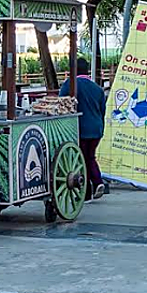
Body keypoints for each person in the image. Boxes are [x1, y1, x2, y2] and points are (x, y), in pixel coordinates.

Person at [60, 58, 107, 200]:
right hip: (96, 128)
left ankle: (93, 185)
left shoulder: (70, 85)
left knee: (82, 159)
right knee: (89, 157)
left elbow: (61, 103)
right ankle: (92, 187)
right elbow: (102, 111)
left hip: (80, 128)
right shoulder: (97, 89)